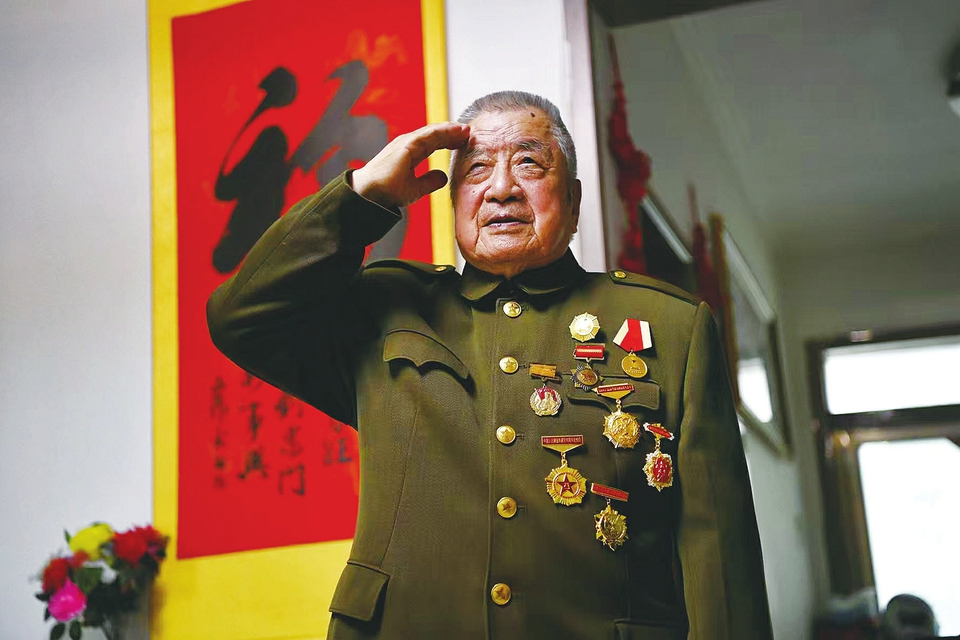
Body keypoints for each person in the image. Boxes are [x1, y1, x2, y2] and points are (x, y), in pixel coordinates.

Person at [208, 91, 772, 640]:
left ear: (573, 200)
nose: (501, 188)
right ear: (454, 199)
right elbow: (240, 319)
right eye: (477, 169)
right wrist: (362, 196)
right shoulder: (386, 308)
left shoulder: (670, 327)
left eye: (529, 163)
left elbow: (720, 563)